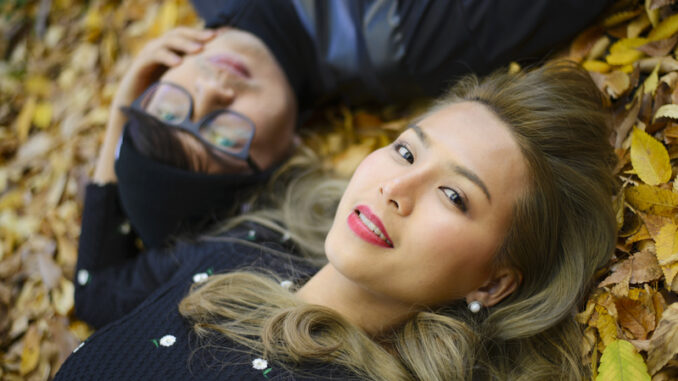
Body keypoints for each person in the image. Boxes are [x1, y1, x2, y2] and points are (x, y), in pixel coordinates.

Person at [56, 60, 618, 380]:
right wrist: (121, 115)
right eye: (405, 152)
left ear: (493, 282)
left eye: (452, 194)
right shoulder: (259, 236)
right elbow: (96, 290)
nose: (395, 189)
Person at [103, 0, 614, 250]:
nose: (212, 93)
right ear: (283, 153)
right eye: (224, 137)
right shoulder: (425, 42)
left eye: (169, 108)